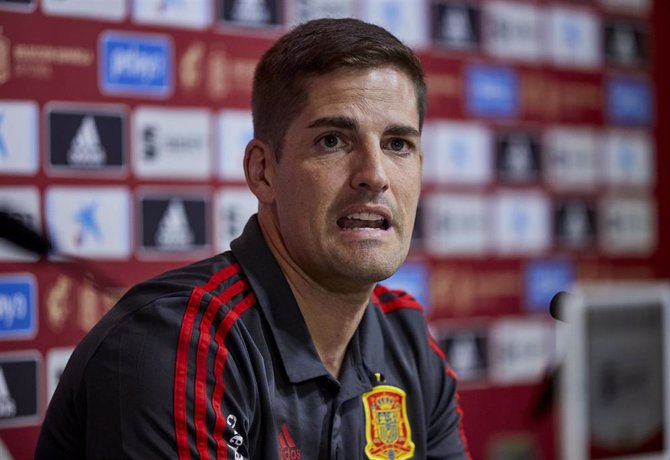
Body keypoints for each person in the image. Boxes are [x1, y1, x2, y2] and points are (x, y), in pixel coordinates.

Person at [36, 18, 471, 460]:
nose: (375, 175)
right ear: (263, 172)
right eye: (333, 140)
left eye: (398, 144)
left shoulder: (409, 340)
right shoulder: (179, 342)